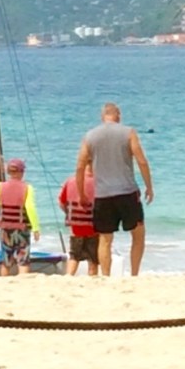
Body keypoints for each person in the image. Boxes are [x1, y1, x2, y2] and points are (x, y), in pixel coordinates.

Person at [76, 102, 153, 276]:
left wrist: (81, 194)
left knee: (105, 239)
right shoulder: (128, 132)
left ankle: (106, 275)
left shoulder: (90, 136)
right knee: (138, 235)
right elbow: (141, 160)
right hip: (127, 192)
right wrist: (149, 186)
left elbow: (80, 166)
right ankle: (134, 274)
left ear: (103, 117)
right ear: (118, 115)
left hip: (103, 195)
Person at [0, 157, 41, 276]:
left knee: (6, 260)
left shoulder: (0, 186)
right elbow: (30, 208)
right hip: (21, 229)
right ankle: (22, 280)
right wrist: (36, 228)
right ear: (21, 172)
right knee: (23, 260)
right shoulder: (27, 188)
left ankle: (4, 281)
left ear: (9, 172)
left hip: (5, 229)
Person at [58, 164, 99, 276]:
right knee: (93, 260)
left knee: (74, 256)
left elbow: (61, 203)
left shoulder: (70, 181)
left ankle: (69, 276)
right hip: (93, 227)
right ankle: (92, 279)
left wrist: (69, 213)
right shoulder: (99, 183)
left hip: (75, 225)